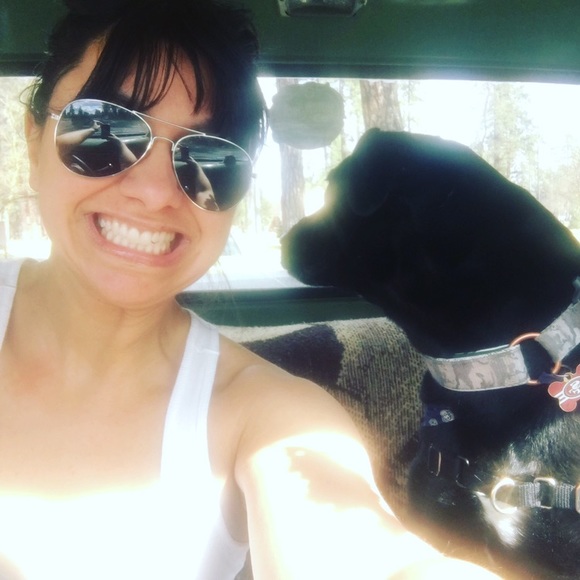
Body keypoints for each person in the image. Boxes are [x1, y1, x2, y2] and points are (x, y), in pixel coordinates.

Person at [0, 0, 500, 578]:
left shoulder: (264, 413)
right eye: (105, 130)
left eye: (212, 157)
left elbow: (369, 552)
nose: (156, 193)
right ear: (34, 138)